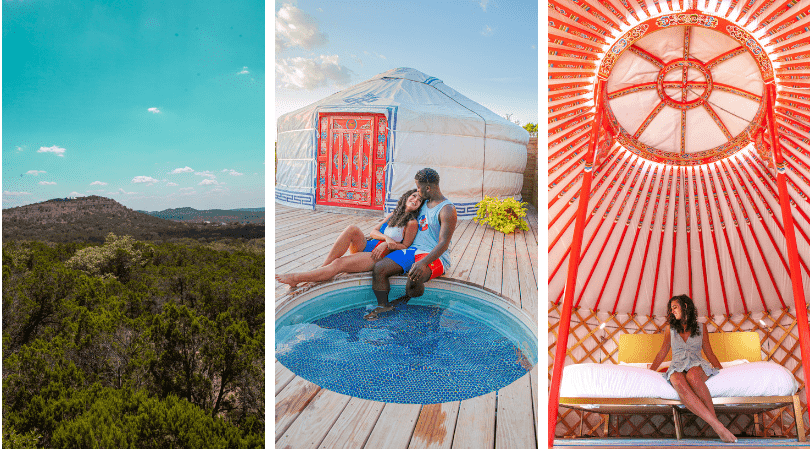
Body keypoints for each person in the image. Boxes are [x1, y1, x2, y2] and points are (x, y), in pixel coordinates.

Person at [275, 190, 423, 288]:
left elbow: (405, 246)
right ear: (406, 197)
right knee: (352, 228)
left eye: (420, 200)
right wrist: (385, 238)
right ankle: (322, 269)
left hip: (379, 255)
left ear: (419, 207)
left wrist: (387, 245)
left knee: (339, 263)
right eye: (414, 195)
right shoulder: (393, 214)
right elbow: (373, 231)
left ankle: (295, 278)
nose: (416, 199)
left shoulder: (411, 222)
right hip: (371, 245)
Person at [365, 168, 457, 320]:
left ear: (428, 188)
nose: (417, 192)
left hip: (434, 254)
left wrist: (423, 263)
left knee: (414, 278)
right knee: (379, 268)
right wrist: (384, 239)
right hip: (412, 250)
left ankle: (403, 302)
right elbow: (401, 215)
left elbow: (443, 244)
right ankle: (384, 306)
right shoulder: (423, 203)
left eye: (419, 188)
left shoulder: (447, 209)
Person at [649, 295, 736, 443]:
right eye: (671, 309)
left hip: (696, 364)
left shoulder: (701, 327)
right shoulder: (670, 330)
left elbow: (709, 352)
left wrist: (722, 371)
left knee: (693, 376)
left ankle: (716, 425)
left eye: (675, 307)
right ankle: (718, 426)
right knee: (677, 379)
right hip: (677, 366)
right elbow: (662, 352)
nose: (672, 311)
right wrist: (650, 372)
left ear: (685, 306)